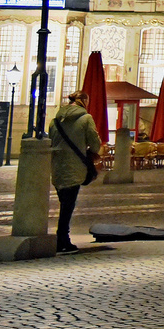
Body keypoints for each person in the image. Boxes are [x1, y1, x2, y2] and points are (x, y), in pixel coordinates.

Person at [49, 91, 102, 253]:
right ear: (84, 102)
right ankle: (62, 239)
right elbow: (95, 144)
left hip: (57, 166)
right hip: (75, 165)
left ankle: (62, 238)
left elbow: (50, 140)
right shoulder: (86, 119)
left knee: (64, 202)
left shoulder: (55, 120)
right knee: (68, 205)